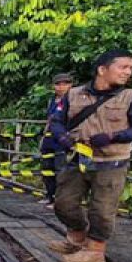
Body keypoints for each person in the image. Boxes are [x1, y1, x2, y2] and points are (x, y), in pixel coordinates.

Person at [49, 50, 132, 262]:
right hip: (77, 158)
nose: (128, 72)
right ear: (102, 69)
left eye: (131, 68)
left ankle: (95, 251)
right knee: (63, 203)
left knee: (102, 209)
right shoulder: (74, 94)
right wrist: (63, 138)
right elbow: (56, 121)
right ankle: (77, 239)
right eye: (123, 67)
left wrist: (114, 137)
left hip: (111, 162)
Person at [40, 72, 74, 208]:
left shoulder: (72, 101)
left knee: (61, 170)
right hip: (49, 139)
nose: (61, 87)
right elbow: (49, 120)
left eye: (65, 84)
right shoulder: (52, 101)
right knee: (47, 168)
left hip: (62, 140)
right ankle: (50, 195)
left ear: (70, 85)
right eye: (58, 84)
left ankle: (60, 200)